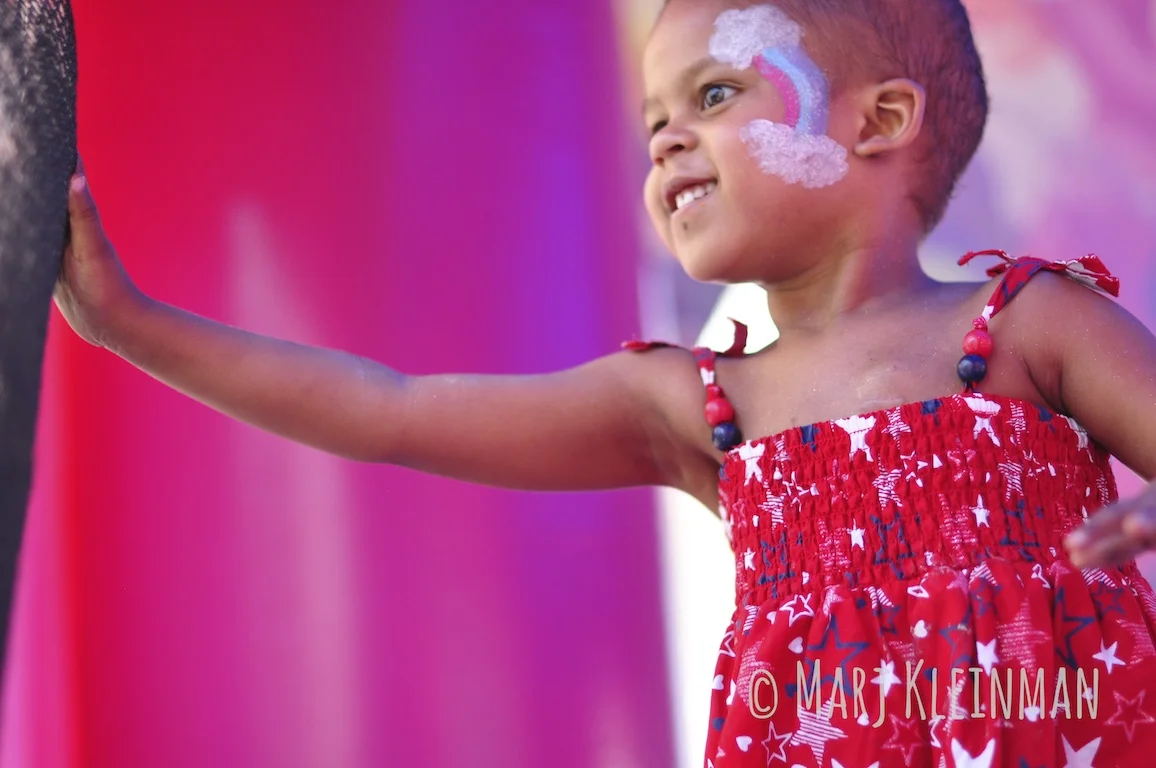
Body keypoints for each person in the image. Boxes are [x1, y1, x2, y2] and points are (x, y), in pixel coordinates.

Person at [56, 0, 1156, 765]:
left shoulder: (1025, 326)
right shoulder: (694, 405)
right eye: (651, 125)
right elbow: (388, 410)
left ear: (877, 121)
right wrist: (131, 327)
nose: (669, 142)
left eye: (715, 93)